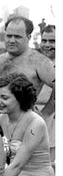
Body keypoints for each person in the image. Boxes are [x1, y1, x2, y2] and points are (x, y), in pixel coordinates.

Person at [0, 73, 54, 176]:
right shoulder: (3, 118)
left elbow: (16, 165)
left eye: (4, 97)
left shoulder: (35, 123)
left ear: (20, 98)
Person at [0, 15, 55, 122]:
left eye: (17, 36)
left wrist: (44, 114)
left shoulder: (39, 61)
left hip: (23, 126)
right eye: (9, 36)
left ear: (28, 37)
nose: (12, 40)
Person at [38, 25, 55, 165]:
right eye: (44, 40)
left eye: (52, 41)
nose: (47, 45)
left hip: (51, 122)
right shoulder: (35, 61)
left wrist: (42, 116)